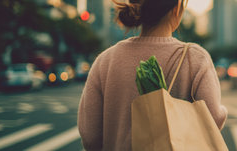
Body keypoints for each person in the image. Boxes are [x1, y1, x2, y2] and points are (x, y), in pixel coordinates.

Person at [77, 0, 228, 150]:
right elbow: (213, 120)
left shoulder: (105, 60)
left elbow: (90, 137)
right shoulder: (194, 58)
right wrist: (223, 111)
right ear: (176, 9)